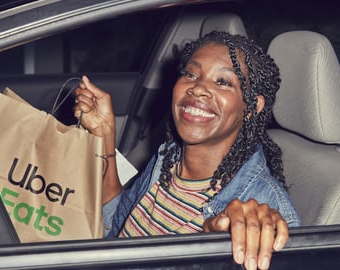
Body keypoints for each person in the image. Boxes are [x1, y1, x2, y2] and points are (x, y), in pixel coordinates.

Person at [74, 31, 300, 270]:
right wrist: (104, 135)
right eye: (190, 74)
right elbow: (119, 225)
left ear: (252, 107)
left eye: (223, 82)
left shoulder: (260, 213)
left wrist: (216, 244)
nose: (198, 88)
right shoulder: (167, 158)